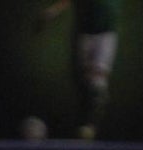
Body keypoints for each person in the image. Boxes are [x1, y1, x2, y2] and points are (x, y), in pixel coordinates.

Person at [38, 0, 121, 140]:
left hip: (106, 34)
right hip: (85, 34)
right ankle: (84, 124)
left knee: (97, 82)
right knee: (86, 82)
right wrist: (52, 12)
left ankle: (90, 124)